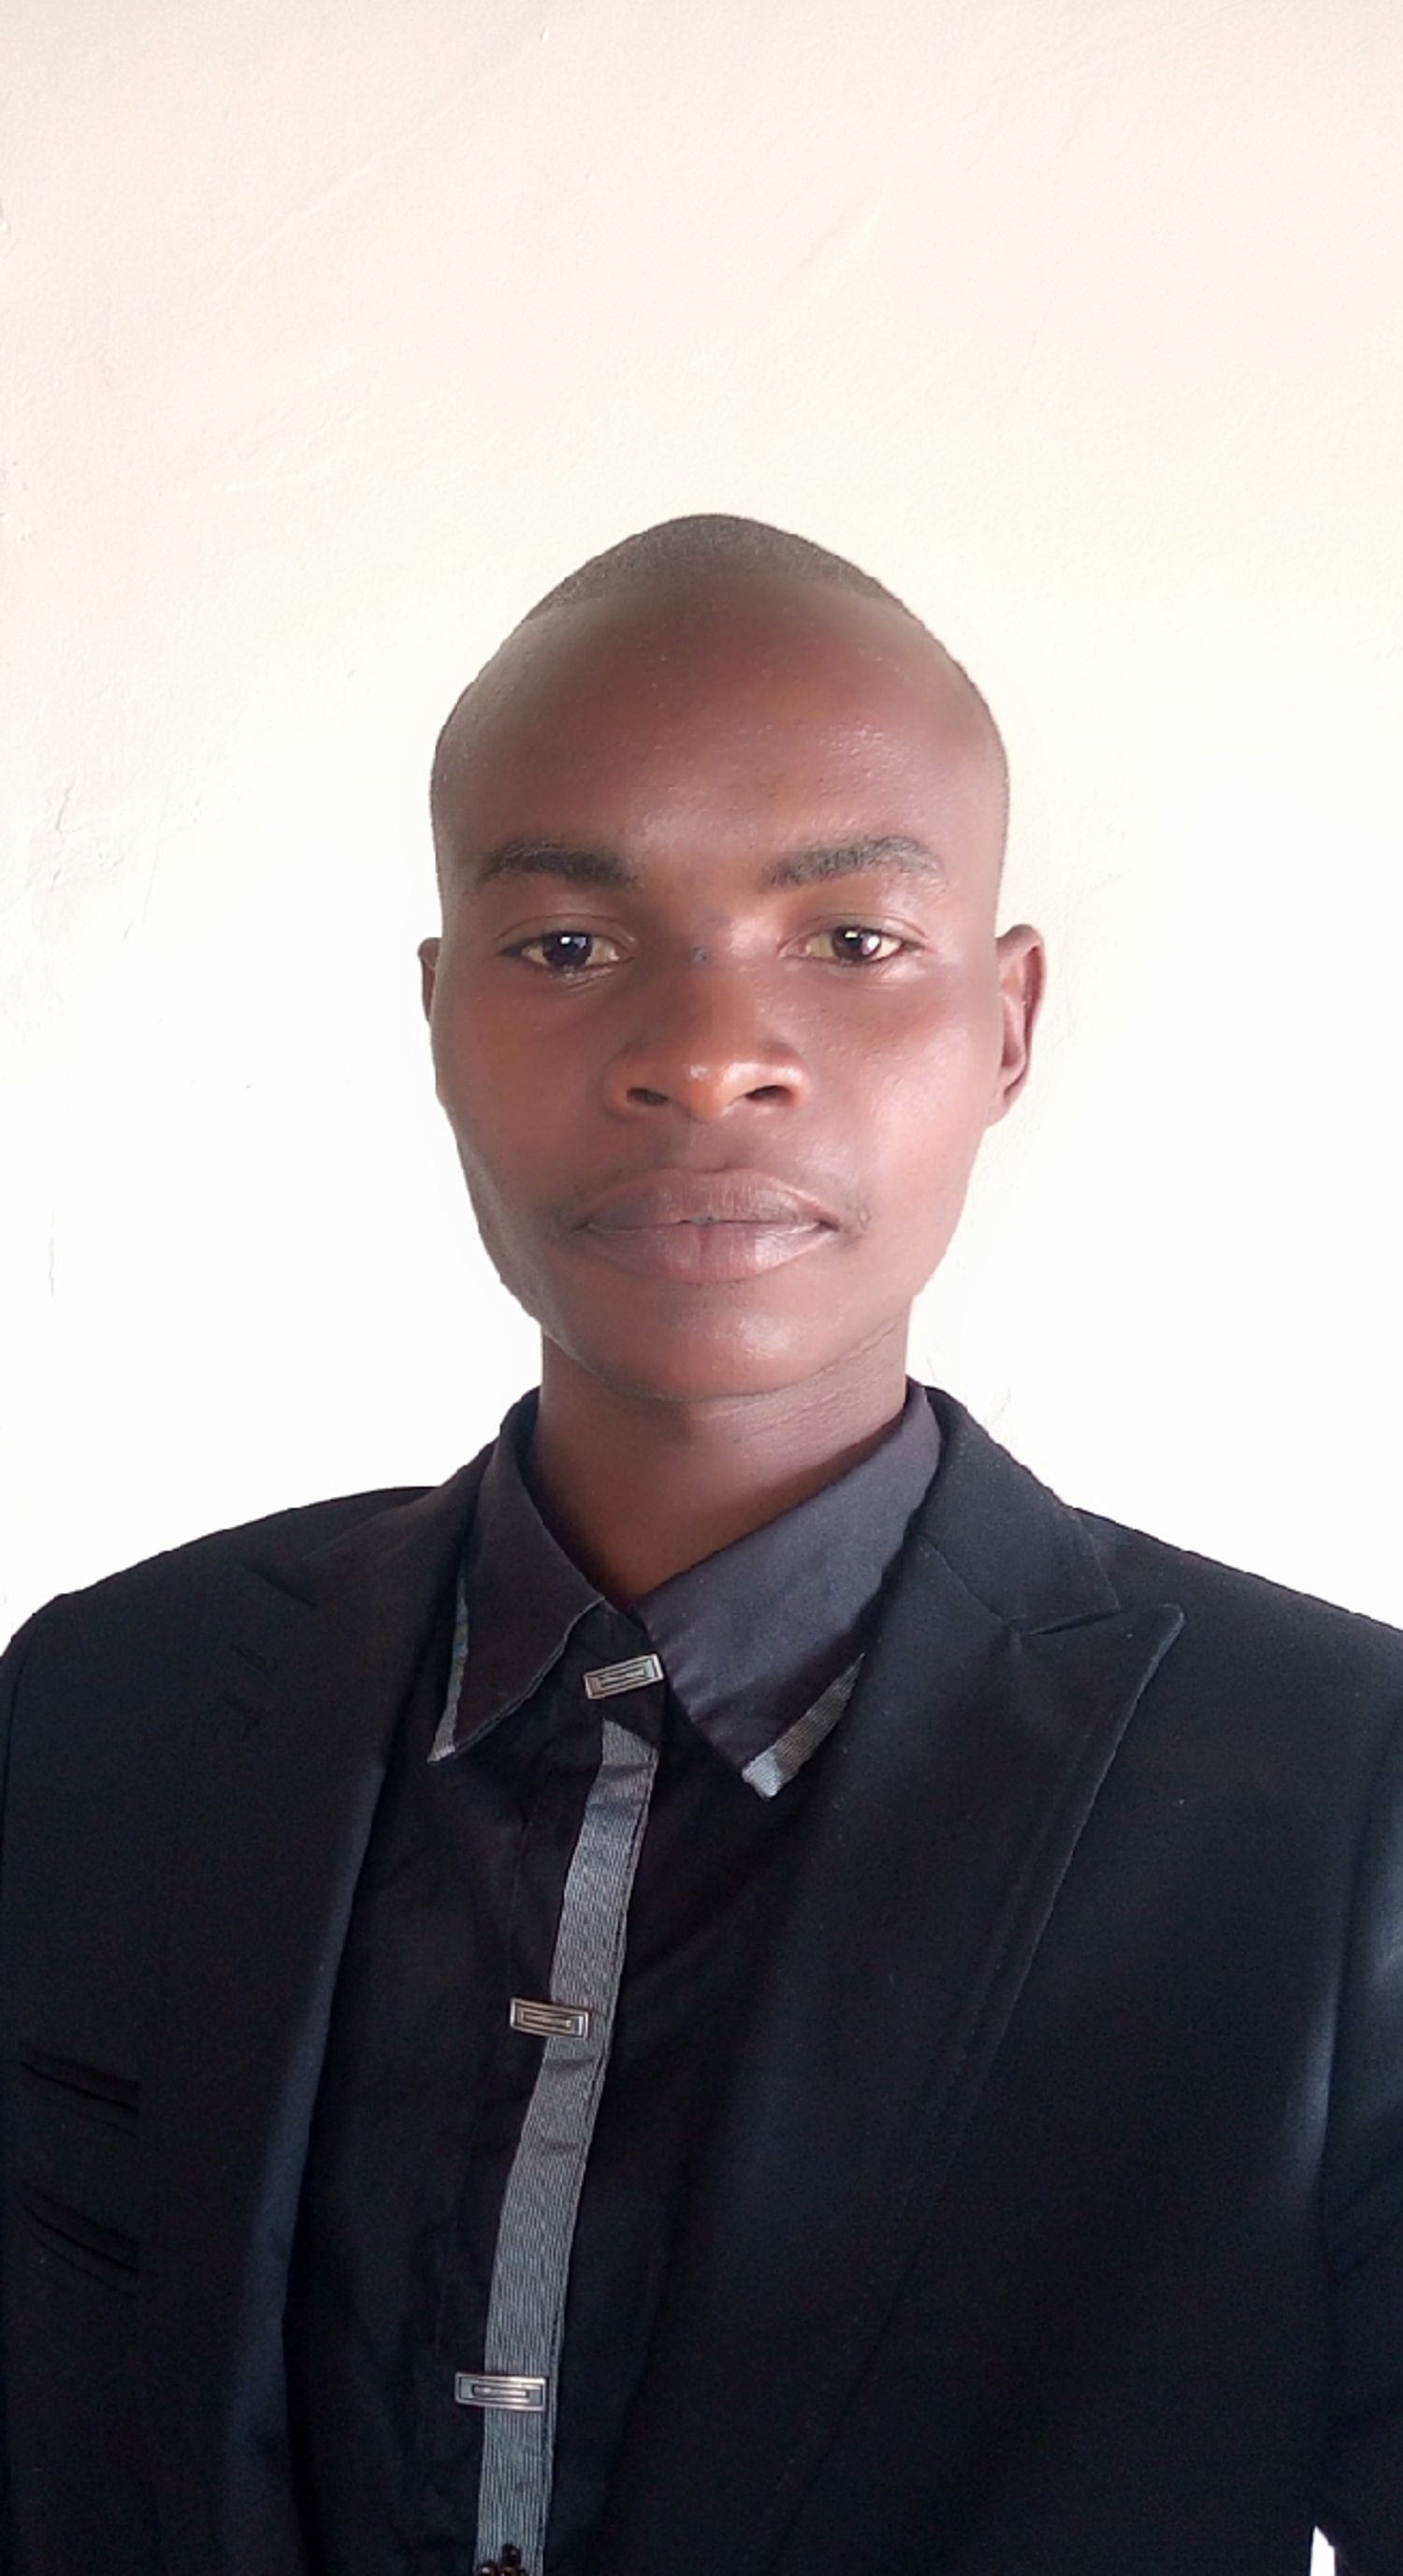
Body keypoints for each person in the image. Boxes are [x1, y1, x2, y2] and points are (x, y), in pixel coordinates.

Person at [1, 514, 1399, 2576]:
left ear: (1009, 1022)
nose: (702, 1052)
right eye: (569, 946)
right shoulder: (103, 1705)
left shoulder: (1340, 1801)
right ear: (438, 1016)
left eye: (851, 939)